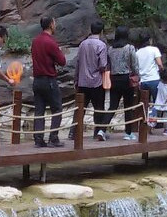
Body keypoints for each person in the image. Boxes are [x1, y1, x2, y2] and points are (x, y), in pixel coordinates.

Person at [69, 20, 109, 141]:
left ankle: (73, 133)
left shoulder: (82, 44)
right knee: (99, 108)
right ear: (101, 31)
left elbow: (78, 63)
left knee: (80, 108)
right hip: (96, 82)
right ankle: (98, 132)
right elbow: (103, 65)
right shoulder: (101, 45)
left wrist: (76, 79)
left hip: (82, 81)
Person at [30, 16, 66, 147]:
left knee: (39, 111)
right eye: (54, 23)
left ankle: (38, 139)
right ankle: (53, 137)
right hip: (49, 79)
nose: (55, 25)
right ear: (51, 25)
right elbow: (62, 61)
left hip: (37, 80)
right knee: (57, 109)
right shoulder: (50, 42)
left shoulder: (35, 41)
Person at [106, 26, 140, 140]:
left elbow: (109, 65)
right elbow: (134, 64)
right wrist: (137, 75)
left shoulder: (110, 49)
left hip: (114, 79)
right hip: (126, 79)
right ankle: (128, 133)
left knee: (112, 106)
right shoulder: (129, 48)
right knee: (128, 106)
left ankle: (101, 129)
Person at [136, 34, 163, 100]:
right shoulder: (154, 49)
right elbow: (159, 64)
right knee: (157, 102)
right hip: (154, 79)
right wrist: (162, 72)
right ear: (149, 40)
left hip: (143, 81)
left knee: (145, 103)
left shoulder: (137, 53)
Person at [150, 68, 167, 135]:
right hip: (166, 105)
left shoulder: (160, 84)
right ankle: (166, 129)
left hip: (158, 104)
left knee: (157, 116)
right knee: (165, 117)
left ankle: (151, 126)